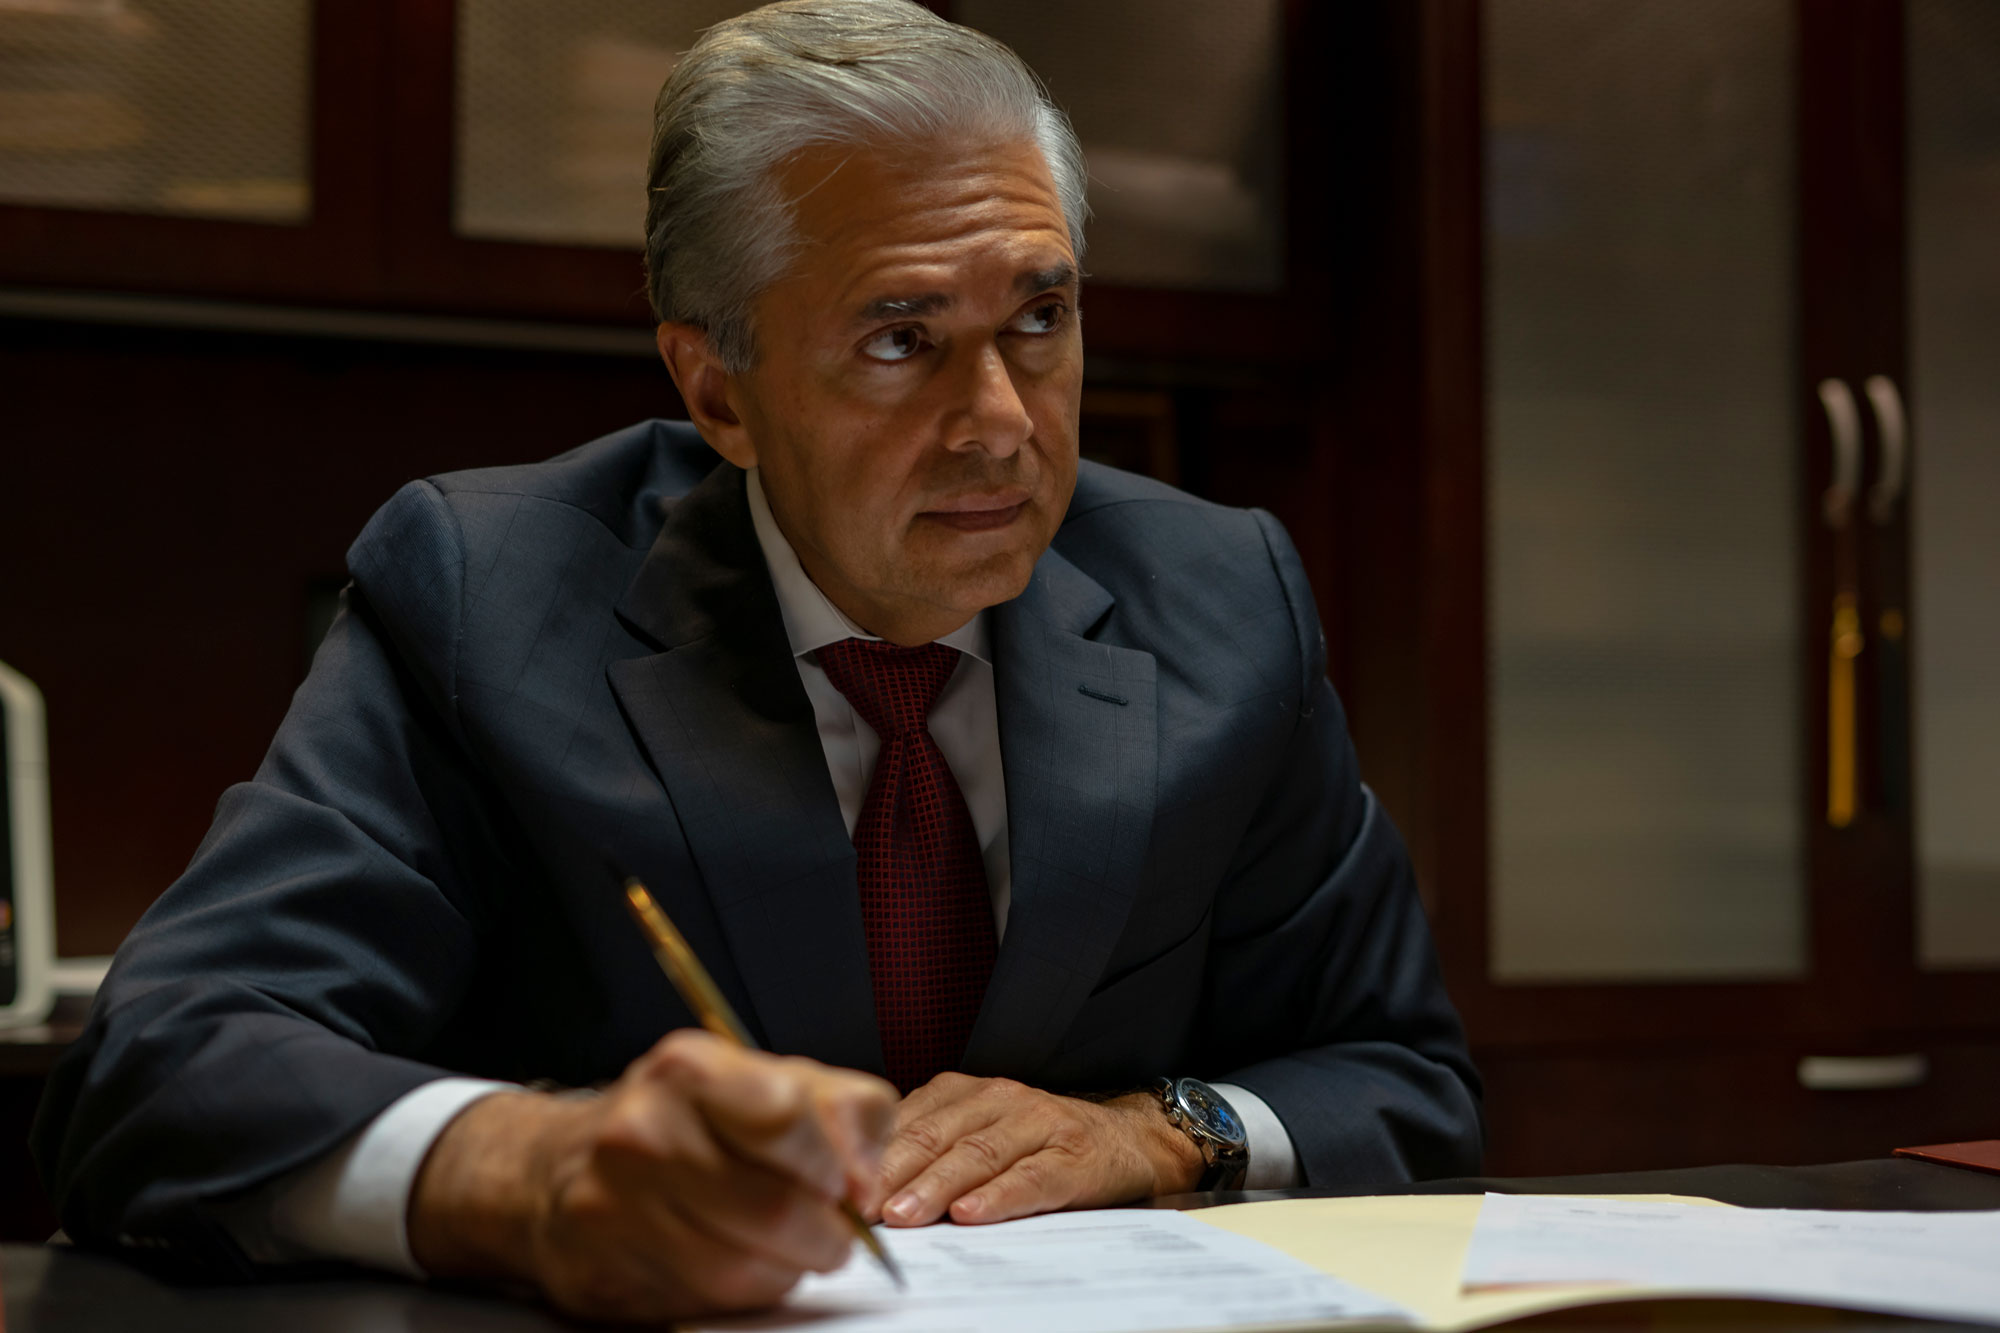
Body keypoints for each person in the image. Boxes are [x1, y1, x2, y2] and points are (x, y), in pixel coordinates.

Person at [32, 0, 1481, 1323]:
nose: (1002, 423)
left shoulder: (1218, 600)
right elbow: (162, 1067)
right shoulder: (490, 595)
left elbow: (1403, 1080)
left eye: (1040, 318)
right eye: (902, 341)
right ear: (718, 390)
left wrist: (1154, 1129)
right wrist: (533, 1168)